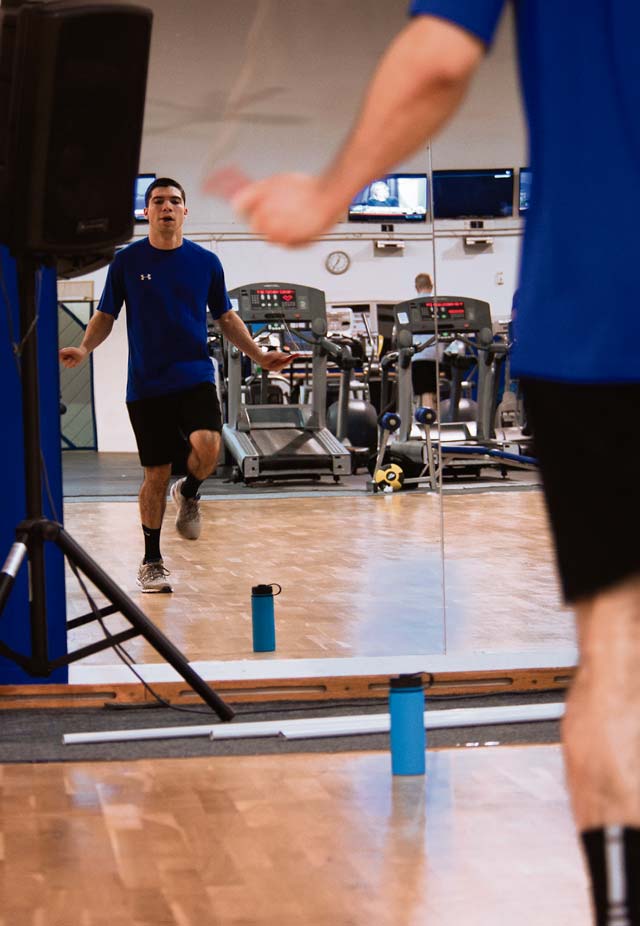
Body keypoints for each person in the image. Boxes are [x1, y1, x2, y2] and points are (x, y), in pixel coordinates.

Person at [225, 5, 640, 924]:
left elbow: (441, 56)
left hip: (601, 315)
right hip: (598, 318)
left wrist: (331, 191)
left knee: (620, 662)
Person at [60, 177, 296, 594]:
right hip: (147, 386)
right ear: (146, 212)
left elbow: (225, 317)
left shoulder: (205, 262)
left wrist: (259, 356)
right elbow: (106, 315)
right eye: (158, 201)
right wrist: (82, 348)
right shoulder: (126, 262)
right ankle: (152, 560)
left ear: (185, 211)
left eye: (174, 201)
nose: (166, 206)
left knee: (208, 446)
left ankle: (189, 492)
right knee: (155, 473)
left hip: (194, 376)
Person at [410, 271, 442, 408]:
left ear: (416, 287)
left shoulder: (411, 306)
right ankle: (434, 419)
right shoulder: (439, 305)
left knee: (423, 393)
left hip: (419, 355)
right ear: (432, 286)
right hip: (435, 356)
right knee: (433, 392)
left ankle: (426, 421)